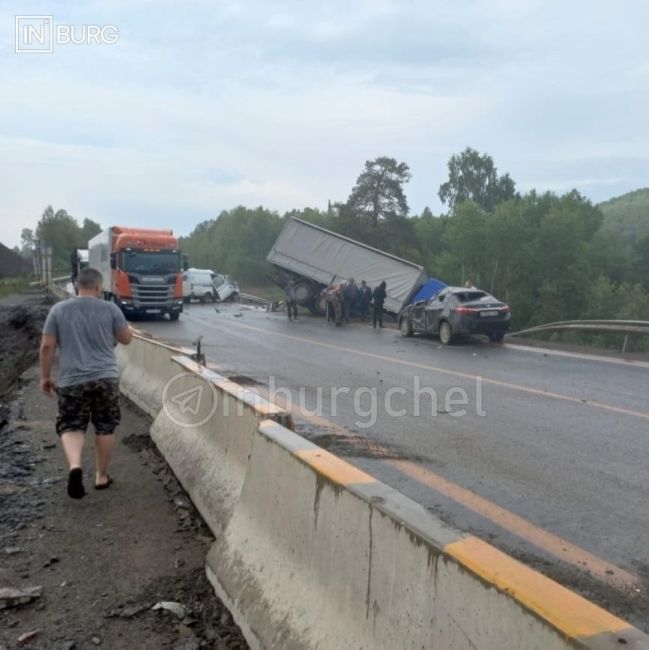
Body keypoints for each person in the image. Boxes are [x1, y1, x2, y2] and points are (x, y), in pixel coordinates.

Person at [39, 267, 133, 499]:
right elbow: (126, 339)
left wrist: (45, 376)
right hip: (105, 379)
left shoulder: (58, 310)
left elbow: (47, 347)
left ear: (76, 285)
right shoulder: (110, 308)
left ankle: (75, 467)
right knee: (105, 425)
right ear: (99, 286)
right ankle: (101, 476)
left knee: (71, 425)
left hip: (72, 380)